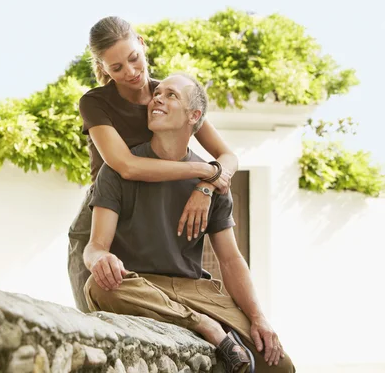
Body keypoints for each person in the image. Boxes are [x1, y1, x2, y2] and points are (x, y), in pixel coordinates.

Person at [83, 73, 294, 373]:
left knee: (278, 365)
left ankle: (205, 319)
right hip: (139, 286)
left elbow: (231, 260)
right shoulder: (118, 171)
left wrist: (258, 317)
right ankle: (204, 326)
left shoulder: (212, 183)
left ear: (194, 116)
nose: (157, 98)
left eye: (171, 95)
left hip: (196, 290)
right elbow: (94, 247)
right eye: (158, 94)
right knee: (99, 287)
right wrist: (101, 259)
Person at [68, 16, 238, 313]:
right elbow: (127, 166)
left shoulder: (171, 96)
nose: (131, 72)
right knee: (97, 319)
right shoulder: (95, 103)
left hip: (151, 216)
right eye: (117, 68)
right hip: (103, 215)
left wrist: (206, 188)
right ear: (103, 67)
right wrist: (204, 171)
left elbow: (229, 157)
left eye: (134, 58)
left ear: (142, 45)